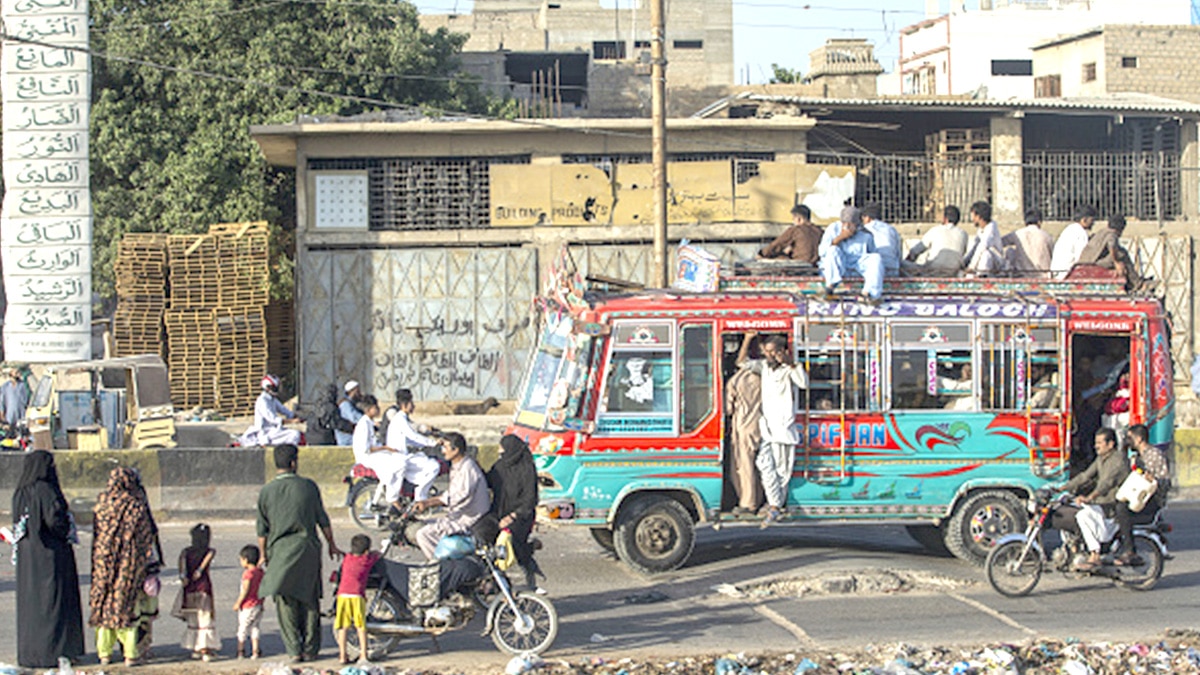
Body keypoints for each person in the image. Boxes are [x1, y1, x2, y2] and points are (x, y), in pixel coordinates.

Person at [257, 444, 342, 663]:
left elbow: (262, 530)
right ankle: (311, 649)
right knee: (310, 599)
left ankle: (294, 650)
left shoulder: (266, 491)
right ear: (294, 463)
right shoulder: (308, 487)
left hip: (279, 551)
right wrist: (332, 544)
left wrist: (262, 555)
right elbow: (322, 519)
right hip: (307, 549)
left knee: (285, 601)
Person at [12, 451, 84, 669]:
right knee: (55, 604)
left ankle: (31, 653)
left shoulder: (20, 492)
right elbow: (55, 520)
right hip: (51, 557)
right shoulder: (46, 490)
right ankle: (57, 651)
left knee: (32, 605)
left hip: (28, 559)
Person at [91, 467, 161, 667]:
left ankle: (104, 654)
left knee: (105, 607)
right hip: (129, 567)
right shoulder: (135, 506)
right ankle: (131, 655)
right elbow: (147, 540)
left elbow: (98, 535)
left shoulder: (102, 504)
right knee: (127, 609)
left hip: (103, 565)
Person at [737, 333, 808, 526]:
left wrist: (791, 363)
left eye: (773, 352)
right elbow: (741, 362)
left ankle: (775, 506)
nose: (769, 356)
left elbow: (803, 383)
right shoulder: (765, 368)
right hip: (768, 429)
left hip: (784, 430)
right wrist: (747, 339)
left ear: (782, 352)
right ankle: (775, 505)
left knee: (782, 473)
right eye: (766, 352)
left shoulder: (790, 370)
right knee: (763, 463)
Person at [413, 432, 490, 560]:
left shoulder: (468, 468)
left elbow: (459, 496)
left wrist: (429, 503)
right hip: (457, 516)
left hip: (468, 520)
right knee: (420, 524)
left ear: (456, 450)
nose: (443, 451)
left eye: (446, 448)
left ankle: (438, 567)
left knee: (423, 534)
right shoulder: (457, 466)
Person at [1061, 428, 1130, 571]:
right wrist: (1062, 488)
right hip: (1101, 503)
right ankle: (1075, 548)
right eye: (1095, 442)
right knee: (1069, 508)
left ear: (1110, 444)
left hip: (1111, 505)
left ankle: (1095, 554)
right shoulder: (1100, 459)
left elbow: (1107, 483)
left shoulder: (1118, 460)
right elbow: (1085, 476)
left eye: (1099, 442)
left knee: (1082, 515)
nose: (1096, 446)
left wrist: (1089, 497)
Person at [487, 434, 545, 592]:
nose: (500, 453)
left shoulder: (527, 469)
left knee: (510, 538)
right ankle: (492, 577)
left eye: (503, 449)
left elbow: (529, 500)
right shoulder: (500, 466)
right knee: (482, 532)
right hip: (499, 511)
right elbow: (489, 481)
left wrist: (512, 516)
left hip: (521, 515)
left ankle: (528, 554)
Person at [1111, 424, 1171, 566]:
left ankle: (1130, 551)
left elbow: (1165, 482)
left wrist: (1153, 481)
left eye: (1129, 438)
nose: (1127, 441)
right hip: (1138, 498)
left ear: (1138, 439)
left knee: (1122, 509)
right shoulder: (1137, 456)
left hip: (1152, 501)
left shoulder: (1154, 454)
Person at [384, 388, 443, 504]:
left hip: (403, 455)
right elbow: (413, 436)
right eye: (412, 403)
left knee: (428, 462)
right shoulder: (400, 420)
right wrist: (432, 443)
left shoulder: (402, 419)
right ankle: (420, 497)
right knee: (434, 466)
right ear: (405, 405)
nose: (413, 406)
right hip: (400, 458)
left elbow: (410, 440)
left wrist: (427, 443)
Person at [818, 205, 885, 304]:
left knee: (876, 258)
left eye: (851, 224)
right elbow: (822, 252)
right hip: (838, 265)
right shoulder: (833, 228)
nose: (847, 226)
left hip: (857, 265)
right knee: (832, 250)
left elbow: (871, 254)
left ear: (857, 224)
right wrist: (840, 238)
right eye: (845, 223)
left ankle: (868, 294)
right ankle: (830, 288)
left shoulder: (866, 234)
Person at [351, 394, 407, 512]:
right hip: (366, 457)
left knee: (400, 458)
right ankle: (392, 497)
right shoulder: (363, 424)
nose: (378, 409)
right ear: (369, 409)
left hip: (373, 454)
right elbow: (367, 448)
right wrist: (386, 448)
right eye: (375, 407)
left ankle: (396, 494)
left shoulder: (369, 422)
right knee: (399, 464)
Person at [725, 355, 763, 516]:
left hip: (743, 425)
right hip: (760, 424)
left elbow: (728, 408)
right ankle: (758, 498)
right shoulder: (762, 376)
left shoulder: (736, 380)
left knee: (743, 465)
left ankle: (748, 502)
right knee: (757, 466)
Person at [334, 534, 380, 665]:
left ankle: (343, 656)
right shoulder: (366, 561)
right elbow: (377, 556)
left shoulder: (347, 558)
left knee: (343, 627)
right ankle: (363, 655)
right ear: (366, 551)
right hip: (357, 596)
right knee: (361, 626)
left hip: (342, 595)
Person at [178, 523, 220, 661]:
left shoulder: (185, 552)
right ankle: (205, 649)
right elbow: (202, 568)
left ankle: (195, 647)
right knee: (205, 618)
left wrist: (184, 577)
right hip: (204, 587)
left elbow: (182, 569)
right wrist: (199, 571)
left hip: (189, 588)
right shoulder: (210, 551)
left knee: (194, 618)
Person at [1077, 214, 1141, 289]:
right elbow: (1112, 245)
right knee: (1122, 253)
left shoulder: (1102, 232)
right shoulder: (1112, 234)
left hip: (1085, 261)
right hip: (1093, 263)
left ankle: (1131, 281)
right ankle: (1136, 283)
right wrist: (1116, 262)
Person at [903, 205, 968, 276]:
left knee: (902, 264)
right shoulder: (963, 234)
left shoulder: (935, 230)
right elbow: (962, 253)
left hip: (932, 270)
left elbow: (916, 250)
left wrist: (908, 260)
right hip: (953, 271)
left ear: (945, 218)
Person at [240, 375, 302, 447]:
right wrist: (292, 421)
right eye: (274, 388)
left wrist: (297, 416)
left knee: (298, 434)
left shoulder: (272, 399)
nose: (277, 389)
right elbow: (273, 419)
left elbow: (284, 410)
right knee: (294, 434)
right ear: (267, 388)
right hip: (265, 433)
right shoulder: (262, 401)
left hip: (274, 431)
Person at [759, 204, 823, 265]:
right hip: (817, 266)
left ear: (799, 219)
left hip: (800, 266)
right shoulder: (820, 231)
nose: (793, 221)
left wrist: (762, 254)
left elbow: (778, 244)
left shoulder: (796, 230)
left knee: (777, 257)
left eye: (793, 219)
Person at [232, 545, 264, 660]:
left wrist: (238, 603)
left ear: (245, 560)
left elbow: (245, 590)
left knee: (243, 629)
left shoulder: (248, 574)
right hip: (258, 604)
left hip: (247, 605)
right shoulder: (260, 572)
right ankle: (255, 651)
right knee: (255, 628)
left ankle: (241, 651)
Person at [1002, 208, 1053, 278]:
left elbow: (1000, 242)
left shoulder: (1017, 234)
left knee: (1010, 251)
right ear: (1039, 222)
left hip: (1022, 275)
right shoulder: (1046, 236)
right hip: (1042, 276)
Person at [1050, 205, 1097, 278]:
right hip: (1066, 273)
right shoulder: (1080, 233)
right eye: (1092, 220)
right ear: (1084, 220)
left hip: (1057, 272)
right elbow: (1082, 258)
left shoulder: (1070, 229)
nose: (1093, 223)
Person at [963, 201, 1005, 276]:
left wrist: (972, 266)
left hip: (995, 263)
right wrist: (964, 262)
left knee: (986, 254)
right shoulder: (981, 229)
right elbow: (974, 248)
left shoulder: (991, 228)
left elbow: (982, 246)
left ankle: (982, 278)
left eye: (973, 216)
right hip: (983, 263)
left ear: (979, 217)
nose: (972, 219)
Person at [861, 203, 901, 277]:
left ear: (868, 218)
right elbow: (898, 254)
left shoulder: (864, 230)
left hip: (874, 272)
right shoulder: (891, 229)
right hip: (893, 270)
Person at [336, 380, 365, 447]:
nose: (359, 393)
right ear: (352, 391)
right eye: (357, 390)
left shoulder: (352, 403)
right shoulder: (345, 404)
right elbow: (354, 417)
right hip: (346, 439)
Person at [0, 365, 29, 430]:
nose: (16, 372)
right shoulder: (5, 387)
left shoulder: (23, 385)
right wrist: (2, 415)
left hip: (21, 416)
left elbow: (27, 400)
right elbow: (1, 402)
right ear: (10, 373)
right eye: (14, 371)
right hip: (9, 417)